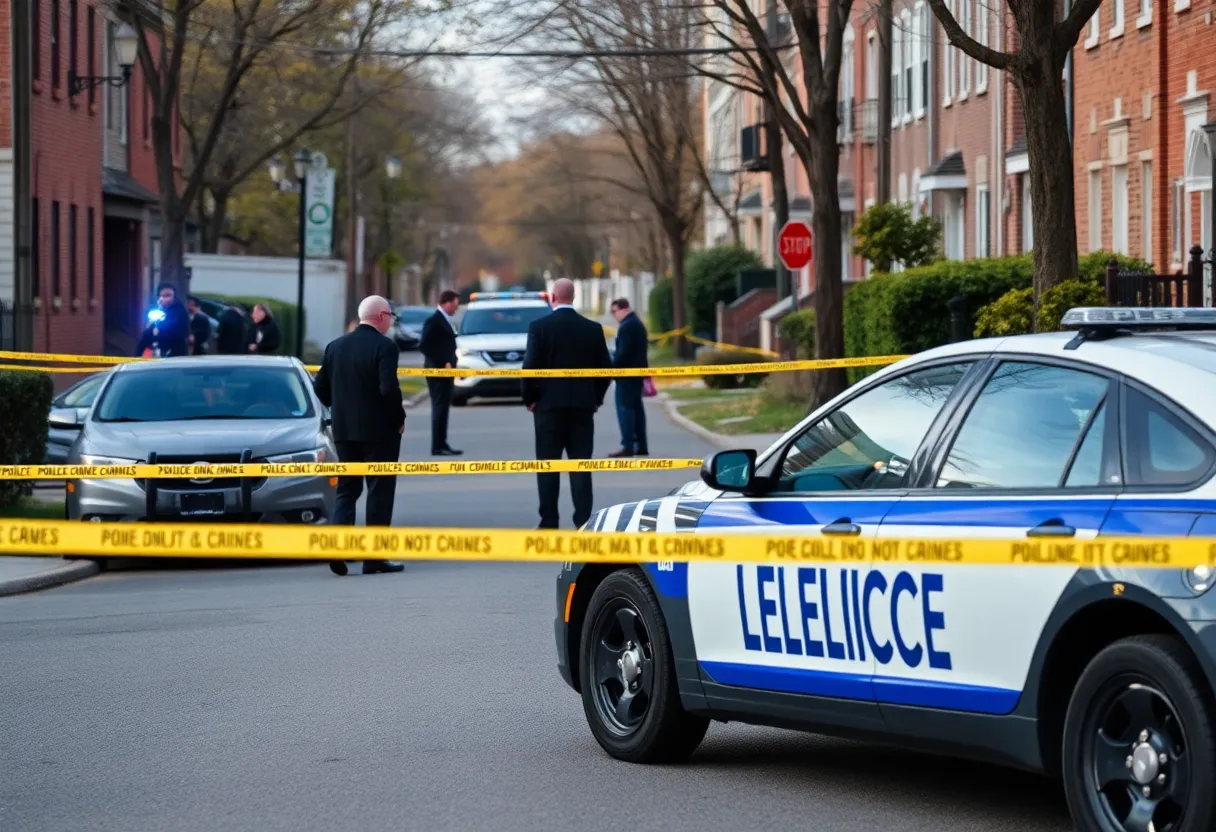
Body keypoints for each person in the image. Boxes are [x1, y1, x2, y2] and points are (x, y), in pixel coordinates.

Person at [312, 295, 406, 577]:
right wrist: (398, 419)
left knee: (347, 489)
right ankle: (374, 558)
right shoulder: (385, 347)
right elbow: (388, 389)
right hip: (379, 432)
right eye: (390, 315)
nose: (391, 321)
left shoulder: (335, 346)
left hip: (344, 431)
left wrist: (339, 410)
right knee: (379, 490)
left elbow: (320, 387)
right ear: (380, 317)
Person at [521, 278, 612, 529]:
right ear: (573, 298)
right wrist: (596, 399)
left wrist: (530, 399)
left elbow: (529, 368)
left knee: (548, 465)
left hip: (547, 408)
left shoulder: (539, 327)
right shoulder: (592, 329)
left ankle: (549, 520)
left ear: (553, 297)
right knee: (580, 466)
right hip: (582, 408)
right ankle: (583, 521)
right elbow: (606, 369)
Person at [419, 290, 462, 456]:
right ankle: (437, 446)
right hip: (438, 371)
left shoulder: (446, 320)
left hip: (447, 371)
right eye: (455, 305)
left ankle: (443, 443)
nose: (456, 309)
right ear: (447, 302)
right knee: (439, 408)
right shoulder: (434, 321)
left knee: (444, 409)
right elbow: (425, 345)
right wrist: (442, 361)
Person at [607, 297, 649, 457]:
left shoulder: (627, 326)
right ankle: (641, 445)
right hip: (636, 374)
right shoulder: (636, 323)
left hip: (626, 375)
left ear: (624, 309)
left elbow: (623, 354)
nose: (613, 315)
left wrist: (610, 368)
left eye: (614, 311)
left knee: (625, 410)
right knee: (636, 410)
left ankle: (628, 446)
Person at [135, 283, 190, 357]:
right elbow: (147, 332)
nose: (166, 298)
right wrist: (138, 354)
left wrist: (160, 329)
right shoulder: (155, 309)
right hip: (156, 349)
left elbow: (178, 330)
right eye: (163, 296)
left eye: (169, 295)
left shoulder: (179, 310)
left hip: (175, 352)